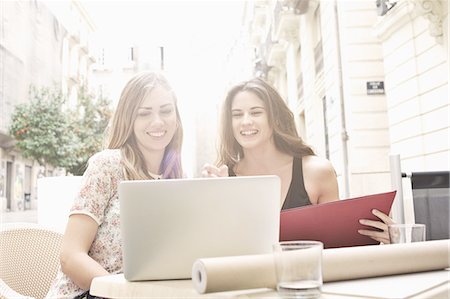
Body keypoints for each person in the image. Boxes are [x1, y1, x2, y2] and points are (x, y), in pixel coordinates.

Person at [202, 77, 393, 245]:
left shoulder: (317, 172)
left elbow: (337, 244)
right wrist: (220, 200)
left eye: (256, 112)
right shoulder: (222, 180)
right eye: (237, 115)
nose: (245, 121)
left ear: (274, 118)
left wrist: (384, 237)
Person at [46, 71, 183, 298]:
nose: (157, 121)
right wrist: (124, 293)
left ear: (176, 117)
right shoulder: (108, 165)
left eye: (166, 111)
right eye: (144, 113)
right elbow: (71, 255)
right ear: (129, 119)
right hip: (90, 294)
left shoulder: (177, 178)